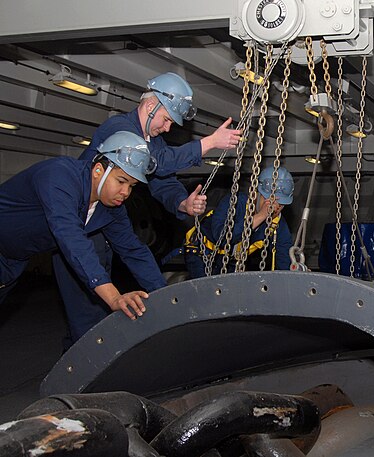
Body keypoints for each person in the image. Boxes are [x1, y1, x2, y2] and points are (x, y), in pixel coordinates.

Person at [52, 72, 243, 344]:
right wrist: (208, 143)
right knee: (87, 315)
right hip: (78, 230)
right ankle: (75, 381)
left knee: (106, 304)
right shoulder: (118, 129)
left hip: (103, 225)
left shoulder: (153, 142)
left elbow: (161, 179)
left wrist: (183, 203)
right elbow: (161, 161)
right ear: (150, 106)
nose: (167, 128)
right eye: (167, 119)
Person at [0, 131, 166, 320]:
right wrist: (113, 298)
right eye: (121, 181)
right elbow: (70, 236)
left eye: (132, 186)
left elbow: (132, 250)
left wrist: (167, 297)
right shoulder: (59, 175)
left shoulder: (110, 207)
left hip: (13, 260)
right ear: (98, 171)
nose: (125, 192)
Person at [184, 166, 294, 278]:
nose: (275, 208)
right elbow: (222, 238)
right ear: (257, 194)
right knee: (204, 290)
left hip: (231, 259)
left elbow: (284, 257)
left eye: (281, 205)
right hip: (201, 252)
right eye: (270, 201)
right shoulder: (235, 203)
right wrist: (261, 216)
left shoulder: (277, 223)